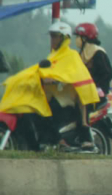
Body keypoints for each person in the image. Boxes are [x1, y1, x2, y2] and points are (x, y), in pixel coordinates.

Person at [39, 22, 97, 150]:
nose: (52, 40)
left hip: (68, 99)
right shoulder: (53, 56)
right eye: (51, 36)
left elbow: (72, 75)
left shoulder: (72, 56)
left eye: (55, 36)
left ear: (64, 38)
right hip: (55, 95)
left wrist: (55, 80)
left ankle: (60, 141)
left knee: (46, 114)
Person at [74, 22, 112, 108]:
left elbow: (108, 73)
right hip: (84, 93)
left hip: (97, 96)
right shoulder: (82, 54)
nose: (76, 40)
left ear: (84, 38)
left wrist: (94, 85)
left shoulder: (98, 52)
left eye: (78, 37)